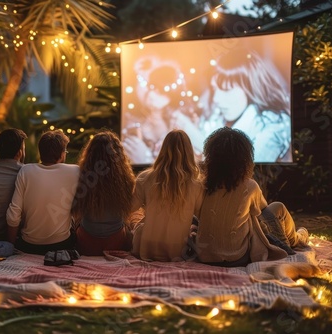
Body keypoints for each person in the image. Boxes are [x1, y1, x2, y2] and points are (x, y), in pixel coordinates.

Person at [196, 127, 308, 267]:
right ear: (244, 159)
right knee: (277, 208)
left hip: (205, 256)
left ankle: (296, 239)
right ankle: (297, 240)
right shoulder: (250, 186)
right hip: (237, 258)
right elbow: (264, 212)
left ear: (211, 157)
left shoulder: (201, 185)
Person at [172, 49, 291, 162]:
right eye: (215, 89)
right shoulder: (217, 115)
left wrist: (201, 143)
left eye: (227, 90)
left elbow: (249, 172)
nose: (216, 99)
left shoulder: (274, 124)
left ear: (250, 88)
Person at [131, 129, 204, 261]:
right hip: (177, 252)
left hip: (147, 248)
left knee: (139, 225)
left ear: (163, 150)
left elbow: (129, 208)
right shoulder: (197, 185)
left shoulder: (145, 178)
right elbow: (203, 219)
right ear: (189, 152)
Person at [6, 130, 79, 254]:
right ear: (62, 155)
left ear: (40, 153)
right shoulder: (75, 171)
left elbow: (13, 215)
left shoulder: (26, 171)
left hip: (29, 245)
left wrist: (10, 247)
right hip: (62, 244)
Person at [71, 131, 135, 255]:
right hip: (117, 243)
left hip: (86, 243)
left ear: (89, 154)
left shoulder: (80, 176)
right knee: (134, 217)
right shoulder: (126, 179)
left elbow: (75, 211)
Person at [122, 57, 196, 165]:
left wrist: (146, 158)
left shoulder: (179, 122)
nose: (152, 94)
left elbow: (186, 164)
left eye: (160, 92)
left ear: (171, 97)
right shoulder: (133, 122)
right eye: (152, 87)